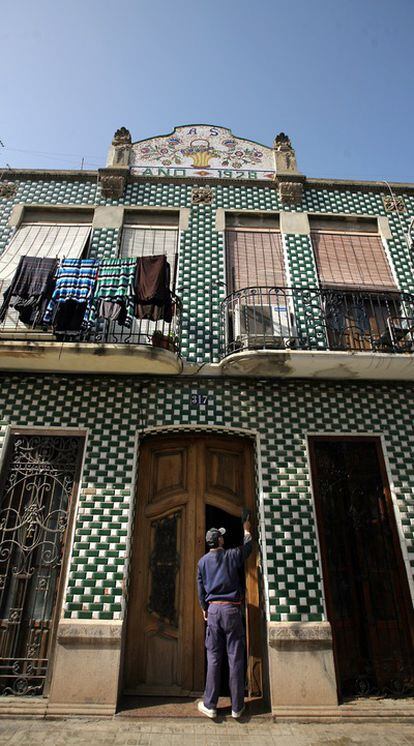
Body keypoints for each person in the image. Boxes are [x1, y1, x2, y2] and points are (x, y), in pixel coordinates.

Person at [196, 516, 252, 719]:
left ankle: (210, 704)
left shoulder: (202, 562)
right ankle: (237, 707)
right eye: (221, 537)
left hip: (213, 612)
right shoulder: (230, 556)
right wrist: (246, 529)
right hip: (231, 610)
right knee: (235, 657)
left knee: (213, 657)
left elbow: (200, 589)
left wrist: (204, 608)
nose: (223, 539)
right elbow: (247, 548)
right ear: (219, 541)